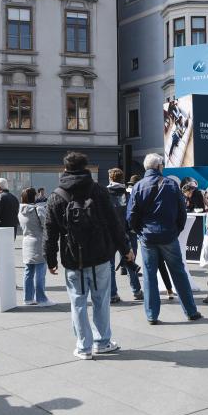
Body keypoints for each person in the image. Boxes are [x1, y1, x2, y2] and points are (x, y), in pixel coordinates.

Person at [45, 152, 134, 359]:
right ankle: (102, 342)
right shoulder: (99, 191)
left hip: (72, 259)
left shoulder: (56, 195)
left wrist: (50, 259)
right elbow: (114, 223)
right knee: (101, 300)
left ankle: (83, 347)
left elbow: (50, 232)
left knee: (78, 302)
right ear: (86, 168)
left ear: (65, 169)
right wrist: (125, 248)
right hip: (100, 256)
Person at [127, 154, 202, 325]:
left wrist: (140, 232)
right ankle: (191, 311)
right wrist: (175, 231)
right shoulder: (170, 184)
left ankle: (152, 315)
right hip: (168, 235)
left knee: (149, 276)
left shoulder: (138, 186)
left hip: (147, 237)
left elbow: (131, 216)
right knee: (179, 273)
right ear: (159, 166)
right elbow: (182, 212)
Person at [107, 168, 143, 303]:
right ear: (122, 179)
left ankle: (112, 294)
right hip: (127, 233)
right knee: (130, 262)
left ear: (110, 178)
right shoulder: (129, 194)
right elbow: (134, 213)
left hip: (110, 234)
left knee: (110, 265)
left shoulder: (104, 194)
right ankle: (136, 291)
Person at [18, 187, 54, 306]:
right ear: (34, 196)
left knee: (28, 272)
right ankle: (41, 299)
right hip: (38, 242)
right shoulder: (38, 209)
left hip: (26, 241)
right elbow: (46, 225)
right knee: (40, 272)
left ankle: (28, 298)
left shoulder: (20, 210)